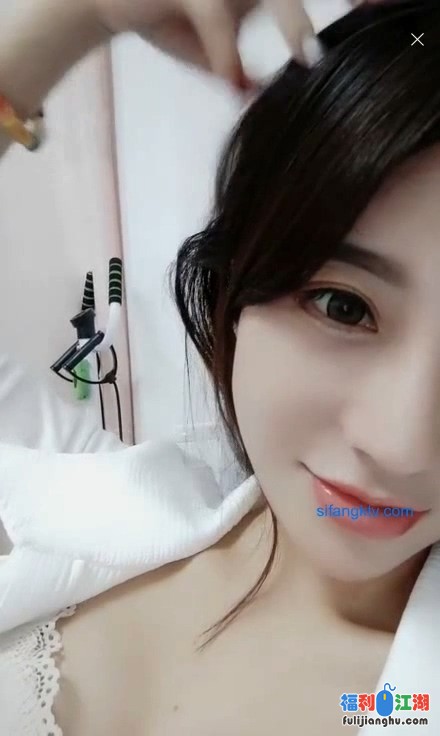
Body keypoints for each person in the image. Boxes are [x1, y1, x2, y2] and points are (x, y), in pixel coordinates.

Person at [2, 0, 439, 735]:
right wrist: (69, 23)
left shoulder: (402, 706)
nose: (401, 446)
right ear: (236, 284)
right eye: (343, 307)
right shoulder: (100, 499)